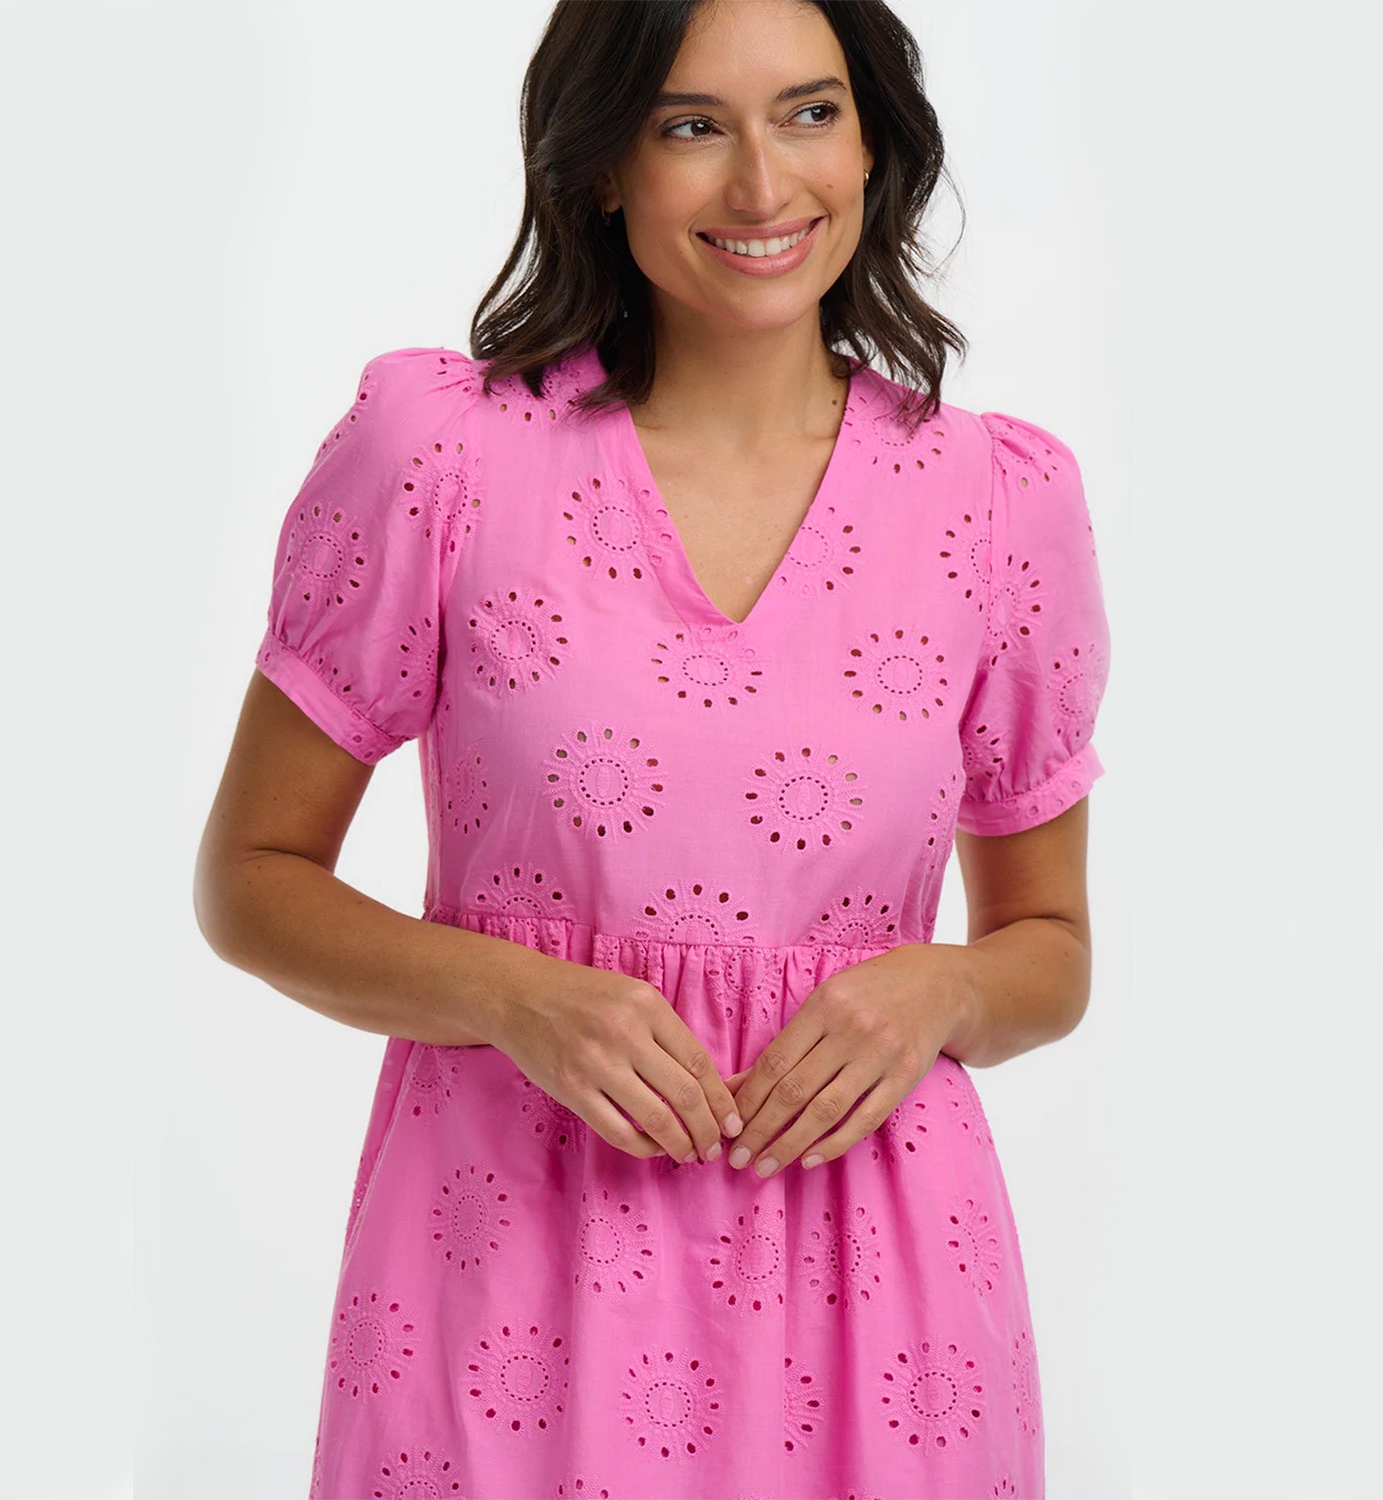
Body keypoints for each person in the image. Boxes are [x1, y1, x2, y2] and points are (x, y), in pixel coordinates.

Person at [193, 1, 1112, 1495]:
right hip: (503, 1271)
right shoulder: (443, 452)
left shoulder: (1000, 502)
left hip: (884, 1303)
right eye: (692, 125)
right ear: (603, 163)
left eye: (810, 113)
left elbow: (1049, 947)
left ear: (873, 146)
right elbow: (250, 878)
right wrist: (513, 996)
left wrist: (942, 987)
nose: (763, 183)